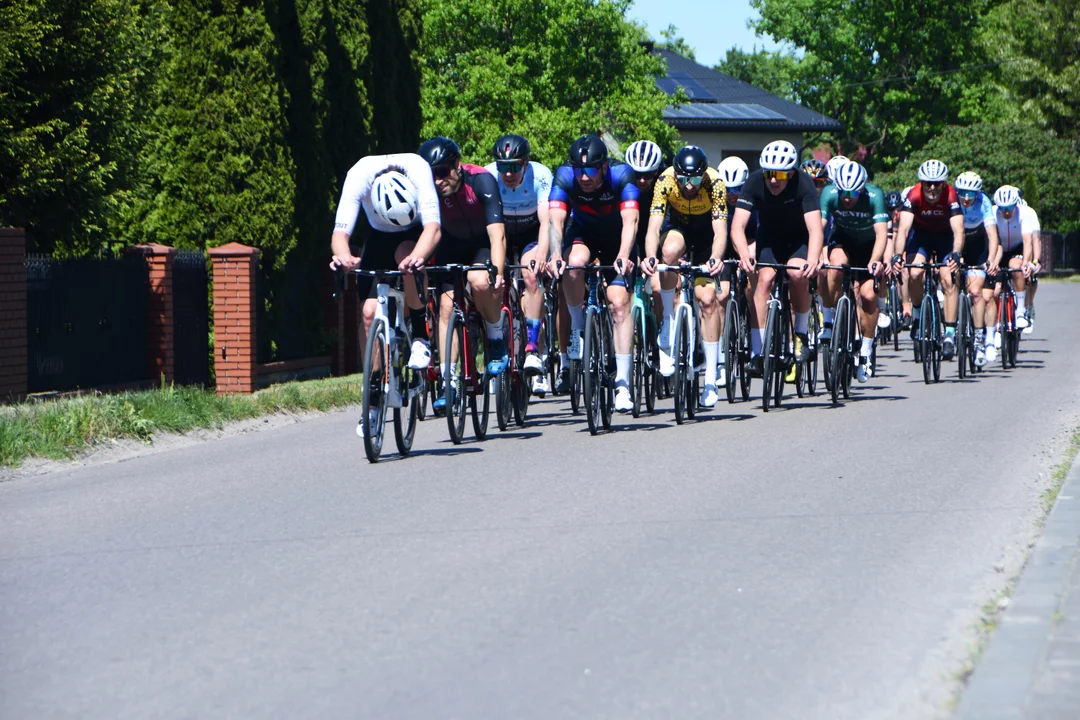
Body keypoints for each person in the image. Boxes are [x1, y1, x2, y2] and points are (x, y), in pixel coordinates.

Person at [329, 152, 442, 437]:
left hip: (415, 233)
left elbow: (434, 228)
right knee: (369, 314)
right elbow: (340, 235)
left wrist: (417, 258)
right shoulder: (359, 176)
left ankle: (419, 334)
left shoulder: (418, 169)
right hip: (378, 235)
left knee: (408, 258)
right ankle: (374, 393)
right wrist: (343, 258)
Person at [548, 135, 640, 412]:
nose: (584, 177)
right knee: (573, 264)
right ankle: (578, 328)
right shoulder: (564, 176)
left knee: (619, 305)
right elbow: (556, 221)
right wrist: (554, 255)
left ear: (603, 167)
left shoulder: (622, 175)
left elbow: (631, 221)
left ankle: (623, 384)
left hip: (617, 241)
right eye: (579, 171)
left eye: (590, 170)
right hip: (583, 235)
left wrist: (624, 254)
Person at [418, 136, 509, 413]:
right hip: (451, 244)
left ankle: (495, 336)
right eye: (432, 175)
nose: (437, 181)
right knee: (446, 307)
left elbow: (498, 234)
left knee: (479, 281)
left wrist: (498, 271)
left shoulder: (481, 180)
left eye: (443, 172)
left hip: (482, 243)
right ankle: (450, 382)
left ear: (457, 165)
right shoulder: (428, 190)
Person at [641, 145, 728, 407]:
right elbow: (653, 227)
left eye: (694, 179)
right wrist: (649, 257)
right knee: (667, 252)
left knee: (708, 300)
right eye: (684, 179)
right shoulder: (666, 180)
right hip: (678, 230)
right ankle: (668, 322)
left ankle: (711, 379)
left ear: (703, 175)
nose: (689, 185)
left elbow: (720, 230)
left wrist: (715, 258)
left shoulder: (715, 183)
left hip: (706, 239)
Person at [730, 140, 824, 376]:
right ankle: (757, 352)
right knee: (763, 281)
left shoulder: (804, 184)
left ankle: (801, 334)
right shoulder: (754, 182)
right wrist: (743, 254)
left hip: (798, 239)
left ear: (791, 173)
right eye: (769, 174)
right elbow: (737, 227)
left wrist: (812, 259)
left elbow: (815, 229)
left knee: (796, 273)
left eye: (780, 175)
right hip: (770, 238)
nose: (773, 180)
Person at [485, 133, 553, 394]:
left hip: (529, 232)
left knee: (531, 275)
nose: (508, 173)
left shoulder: (541, 175)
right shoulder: (489, 175)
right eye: (503, 167)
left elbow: (546, 221)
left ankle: (534, 349)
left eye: (514, 166)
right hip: (500, 232)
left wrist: (542, 254)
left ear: (526, 164)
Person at [818, 160, 888, 382]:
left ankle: (866, 352)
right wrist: (819, 257)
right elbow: (818, 230)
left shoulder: (875, 196)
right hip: (843, 243)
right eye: (843, 192)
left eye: (852, 193)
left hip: (868, 249)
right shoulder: (829, 193)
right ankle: (829, 321)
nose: (847, 197)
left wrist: (876, 260)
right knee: (834, 266)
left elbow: (882, 235)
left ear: (862, 189)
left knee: (868, 296)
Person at [893, 159, 964, 359]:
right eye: (927, 184)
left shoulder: (951, 195)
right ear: (921, 183)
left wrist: (957, 253)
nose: (932, 188)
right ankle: (917, 314)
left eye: (937, 184)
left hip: (945, 238)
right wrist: (898, 256)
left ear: (944, 184)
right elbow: (904, 229)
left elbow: (958, 230)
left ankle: (949, 334)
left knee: (948, 278)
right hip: (921, 236)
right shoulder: (913, 195)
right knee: (914, 273)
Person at [716, 155, 754, 388]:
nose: (732, 196)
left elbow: (759, 233)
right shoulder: (714, 200)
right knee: (721, 295)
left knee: (751, 286)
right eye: (727, 190)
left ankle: (752, 323)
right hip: (723, 246)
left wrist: (748, 257)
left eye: (737, 190)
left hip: (748, 242)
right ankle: (721, 356)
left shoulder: (753, 201)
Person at [955, 171, 999, 366]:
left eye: (971, 194)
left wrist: (990, 260)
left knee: (975, 291)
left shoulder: (984, 202)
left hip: (977, 245)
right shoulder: (952, 201)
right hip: (956, 242)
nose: (966, 198)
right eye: (962, 193)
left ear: (977, 194)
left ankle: (980, 340)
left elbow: (992, 235)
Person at [991, 185, 1036, 333]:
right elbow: (993, 240)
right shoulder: (992, 213)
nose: (1006, 212)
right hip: (999, 248)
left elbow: (1028, 241)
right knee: (994, 289)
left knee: (1017, 268)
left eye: (1010, 207)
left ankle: (1021, 310)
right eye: (1002, 208)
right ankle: (995, 325)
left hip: (1018, 247)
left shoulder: (1024, 213)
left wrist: (1026, 263)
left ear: (1015, 204)